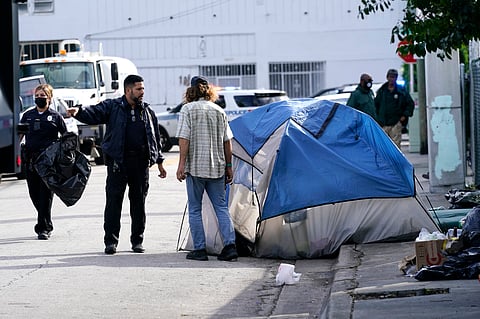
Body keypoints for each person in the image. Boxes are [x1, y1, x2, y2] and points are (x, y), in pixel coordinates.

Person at [67, 74, 167, 254]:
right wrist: (79, 113)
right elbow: (94, 113)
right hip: (118, 162)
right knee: (114, 202)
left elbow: (155, 138)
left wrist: (159, 161)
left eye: (143, 88)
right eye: (139, 89)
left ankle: (137, 241)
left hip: (140, 163)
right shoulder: (113, 107)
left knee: (139, 203)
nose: (142, 92)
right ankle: (110, 242)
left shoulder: (147, 111)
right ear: (128, 90)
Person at [175, 75, 238, 262]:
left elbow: (184, 139)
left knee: (195, 209)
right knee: (221, 207)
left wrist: (181, 165)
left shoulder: (187, 110)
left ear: (191, 91)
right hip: (217, 167)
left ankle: (200, 249)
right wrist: (229, 166)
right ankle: (230, 246)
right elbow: (228, 142)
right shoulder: (219, 111)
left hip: (195, 167)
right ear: (209, 91)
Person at [19, 84, 67, 240]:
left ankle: (43, 228)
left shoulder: (55, 117)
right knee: (34, 194)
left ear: (49, 98)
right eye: (37, 95)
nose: (39, 98)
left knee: (45, 194)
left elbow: (66, 137)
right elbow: (19, 136)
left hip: (48, 162)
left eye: (43, 95)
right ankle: (45, 220)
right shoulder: (27, 116)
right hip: (31, 161)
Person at [374, 68, 415, 148]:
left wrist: (404, 116)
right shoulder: (382, 91)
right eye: (390, 77)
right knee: (383, 147)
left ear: (396, 78)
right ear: (387, 77)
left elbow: (410, 104)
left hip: (396, 123)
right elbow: (375, 105)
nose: (391, 79)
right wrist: (377, 119)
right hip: (383, 124)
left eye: (393, 77)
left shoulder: (401, 91)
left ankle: (395, 161)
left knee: (396, 147)